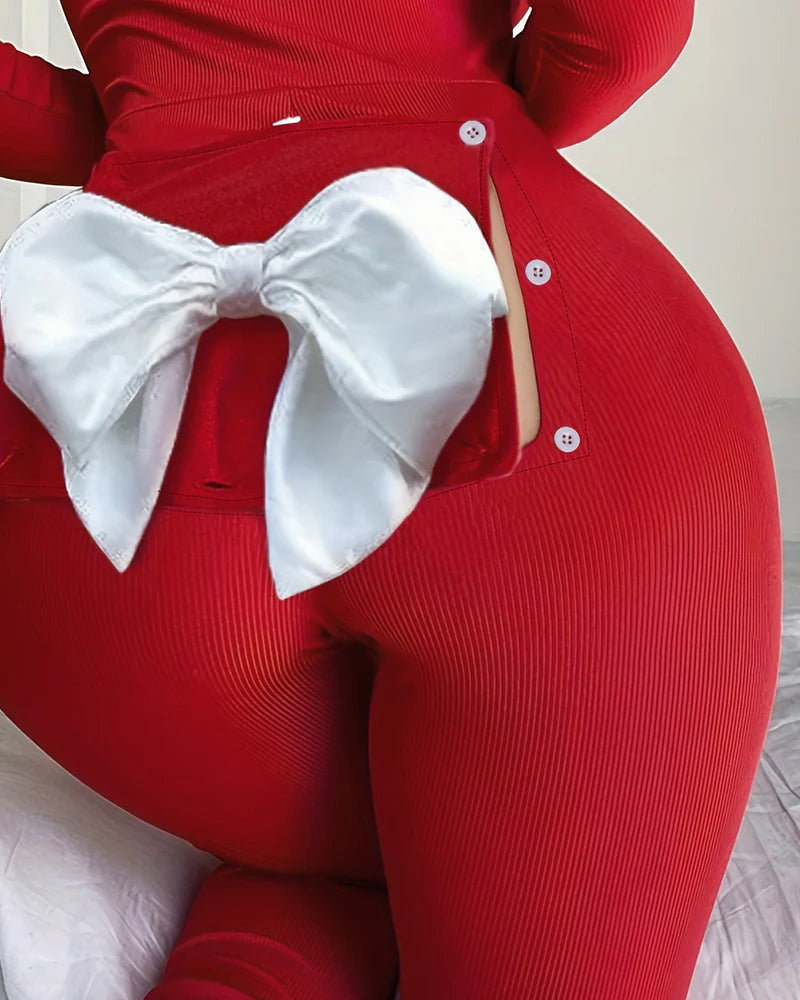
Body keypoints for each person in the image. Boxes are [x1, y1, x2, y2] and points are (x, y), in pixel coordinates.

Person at [0, 2, 783, 998]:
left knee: (346, 861)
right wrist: (462, 99)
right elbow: (624, 30)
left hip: (112, 456)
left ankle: (266, 945)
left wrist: (157, 119)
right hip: (530, 416)